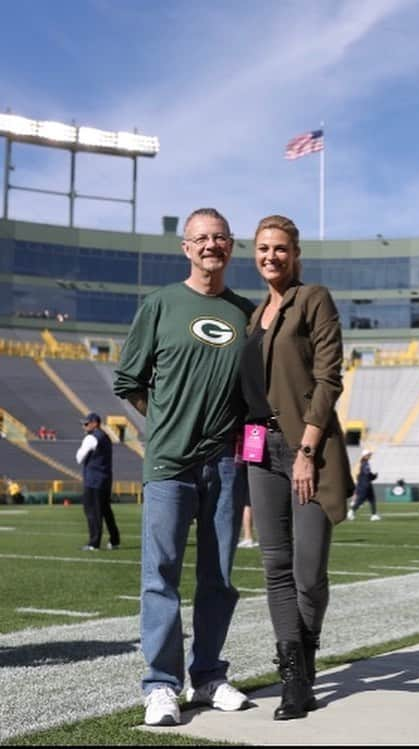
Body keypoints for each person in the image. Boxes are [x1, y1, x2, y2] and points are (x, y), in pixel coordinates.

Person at [113, 207, 254, 727]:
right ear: (186, 247)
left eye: (219, 238)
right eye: (201, 238)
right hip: (169, 463)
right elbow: (128, 380)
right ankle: (161, 685)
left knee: (218, 578)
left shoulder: (246, 312)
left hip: (226, 464)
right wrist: (166, 422)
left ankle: (210, 675)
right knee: (161, 577)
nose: (210, 245)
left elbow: (254, 394)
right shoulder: (159, 305)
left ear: (230, 247)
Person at [238, 214, 354, 721]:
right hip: (260, 450)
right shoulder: (255, 314)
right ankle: (295, 681)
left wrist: (307, 450)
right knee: (275, 569)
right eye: (264, 248)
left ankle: (303, 664)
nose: (271, 256)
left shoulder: (314, 299)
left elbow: (329, 379)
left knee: (308, 574)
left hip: (307, 448)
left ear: (296, 252)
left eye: (281, 248)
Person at [75, 412, 120, 551]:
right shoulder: (105, 437)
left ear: (95, 423)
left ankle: (94, 543)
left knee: (92, 511)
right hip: (105, 479)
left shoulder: (91, 438)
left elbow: (79, 458)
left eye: (87, 423)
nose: (84, 426)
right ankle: (114, 539)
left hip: (93, 480)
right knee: (106, 510)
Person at [348, 449, 380, 521]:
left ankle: (374, 515)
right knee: (361, 500)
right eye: (369, 455)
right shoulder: (365, 464)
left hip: (365, 484)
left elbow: (362, 475)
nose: (370, 456)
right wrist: (373, 476)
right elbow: (367, 474)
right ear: (365, 456)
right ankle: (351, 511)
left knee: (372, 499)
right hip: (365, 485)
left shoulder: (364, 463)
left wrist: (372, 476)